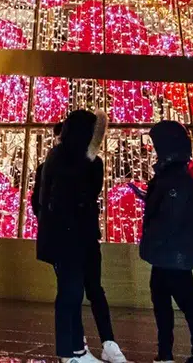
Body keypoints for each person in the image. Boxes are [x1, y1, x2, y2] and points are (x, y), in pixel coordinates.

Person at [33, 110, 124, 363]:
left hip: (83, 237)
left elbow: (90, 190)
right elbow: (61, 196)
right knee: (70, 293)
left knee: (92, 289)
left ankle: (99, 345)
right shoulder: (58, 160)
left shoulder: (89, 161)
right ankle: (71, 351)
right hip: (65, 239)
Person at [134, 120, 193, 363]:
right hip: (172, 250)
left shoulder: (176, 174)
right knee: (167, 303)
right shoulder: (183, 170)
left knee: (183, 304)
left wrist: (151, 242)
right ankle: (169, 353)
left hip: (170, 251)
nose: (155, 148)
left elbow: (171, 215)